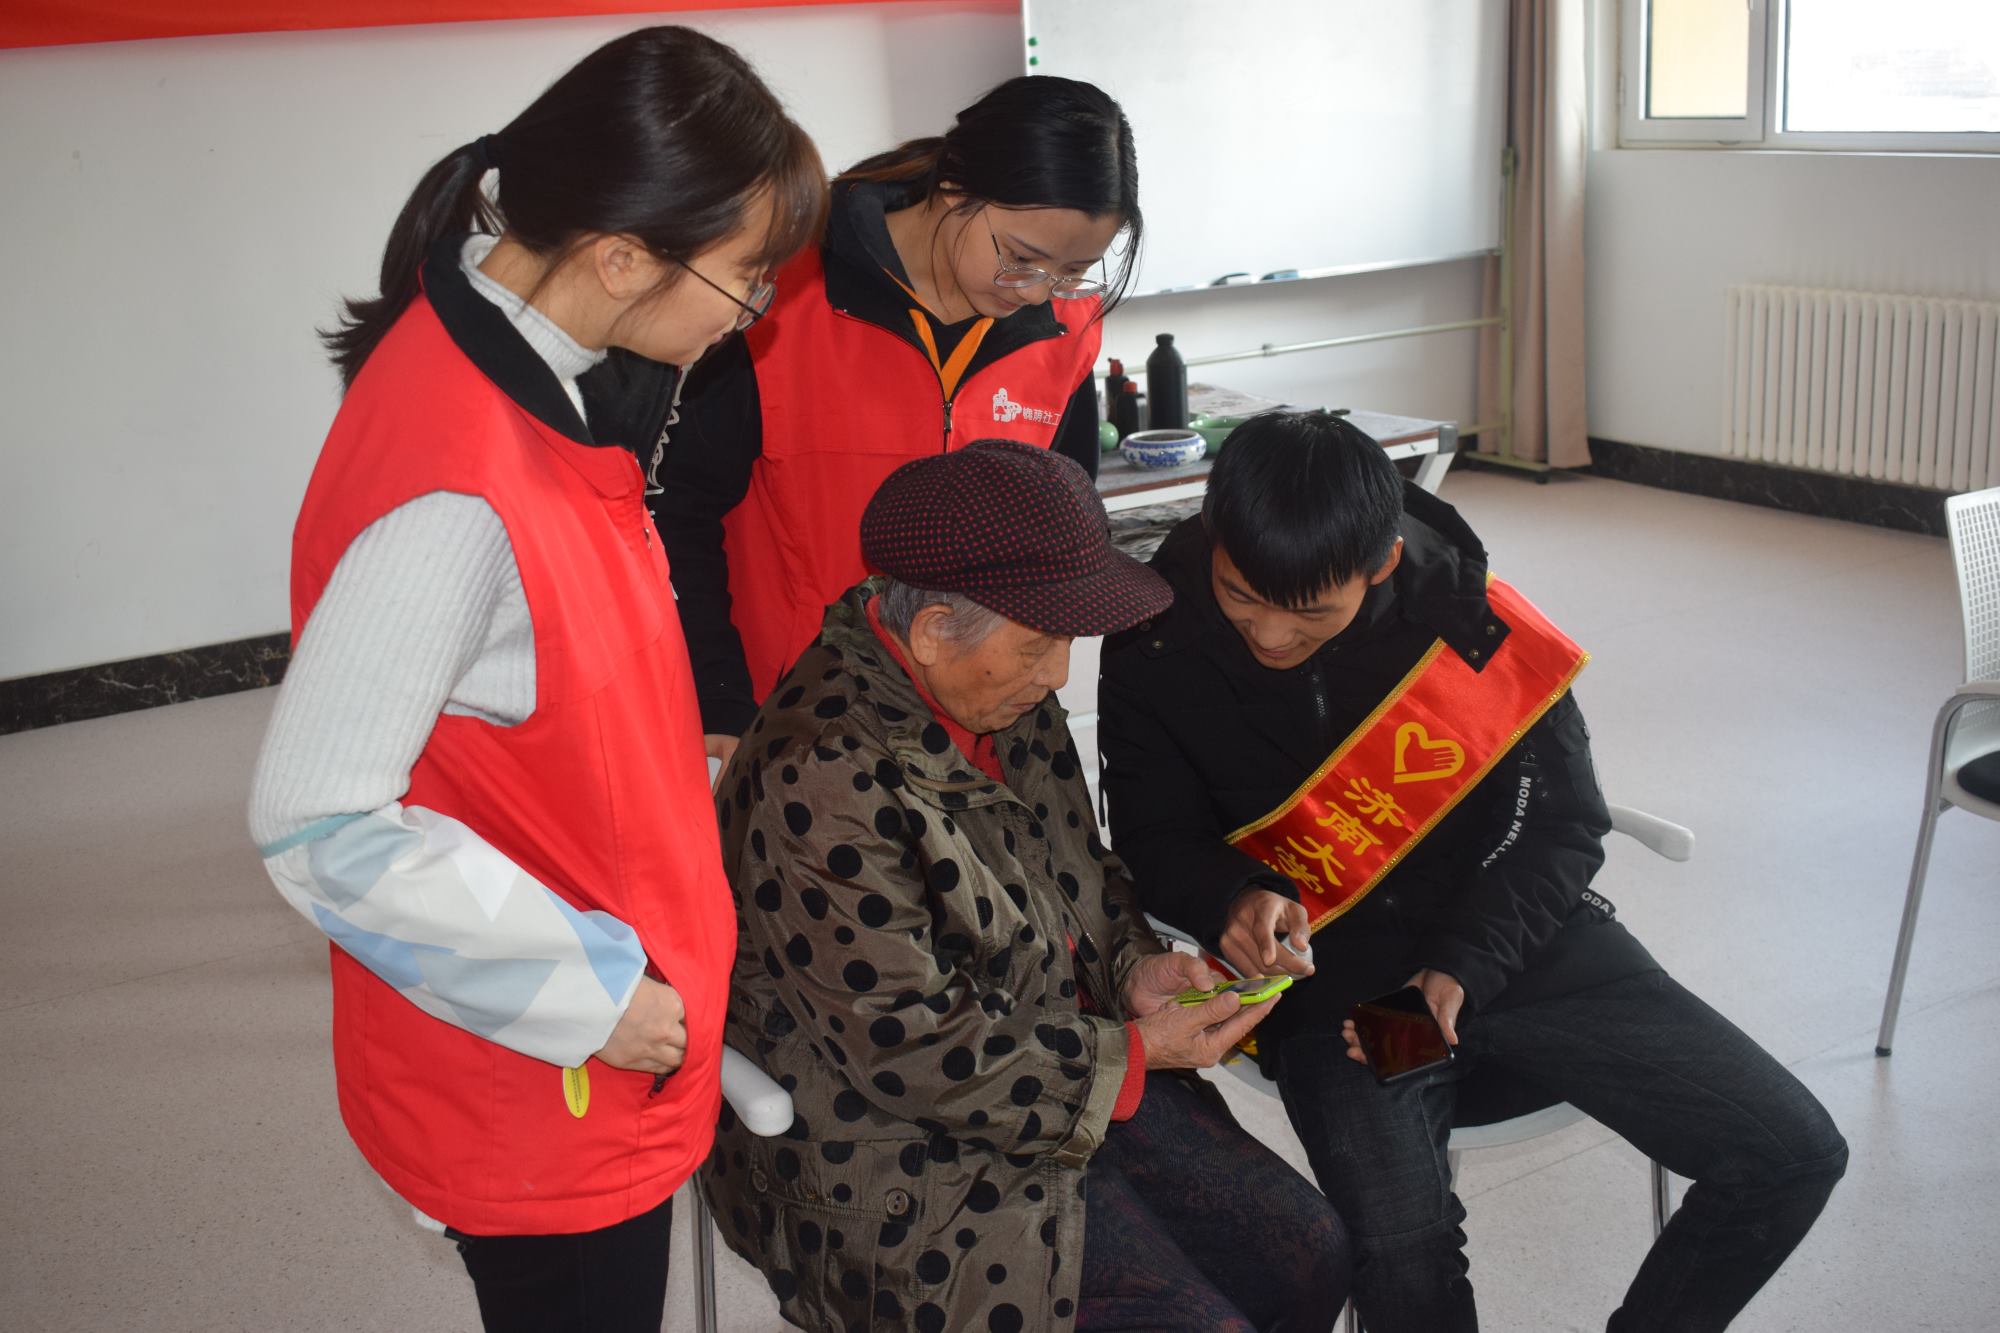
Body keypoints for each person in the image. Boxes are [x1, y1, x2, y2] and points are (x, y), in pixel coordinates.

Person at [244, 28, 824, 1331]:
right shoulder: (460, 492)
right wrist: (589, 997)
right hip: (545, 1074)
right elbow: (316, 821)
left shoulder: (519, 372)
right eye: (744, 280)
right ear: (621, 259)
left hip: (589, 1007)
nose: (750, 314)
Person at [1098, 410, 1849, 1333]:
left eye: (1311, 612)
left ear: (1381, 564)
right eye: (1241, 596)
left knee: (1789, 1151)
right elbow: (1153, 834)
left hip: (1515, 941)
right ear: (1215, 535)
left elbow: (1562, 824)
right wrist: (1233, 896)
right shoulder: (1155, 636)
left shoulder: (1474, 621)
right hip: (1344, 987)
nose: (1271, 634)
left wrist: (1462, 967)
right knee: (1401, 1247)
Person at [702, 439, 1350, 1333]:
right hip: (880, 1148)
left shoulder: (997, 692)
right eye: (1041, 644)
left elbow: (1083, 870)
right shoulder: (819, 775)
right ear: (934, 630)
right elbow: (909, 1049)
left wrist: (1131, 968)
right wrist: (1132, 1055)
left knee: (1310, 1251)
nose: (1058, 675)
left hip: (1049, 1061)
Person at [587, 74, 1139, 768]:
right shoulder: (784, 294)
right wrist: (717, 694)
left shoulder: (1064, 328)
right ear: (954, 188)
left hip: (972, 729)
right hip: (793, 720)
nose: (1037, 293)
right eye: (1021, 258)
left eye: (1073, 270)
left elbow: (1061, 544)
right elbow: (679, 514)